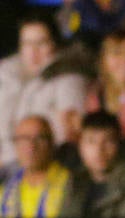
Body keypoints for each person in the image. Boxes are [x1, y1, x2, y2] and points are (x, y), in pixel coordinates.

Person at [0, 12, 89, 169]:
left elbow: (69, 137)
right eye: (27, 44)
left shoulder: (69, 80)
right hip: (15, 165)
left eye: (41, 43)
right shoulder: (18, 78)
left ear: (55, 44)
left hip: (46, 169)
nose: (33, 52)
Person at [0, 115, 72, 218]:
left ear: (52, 143)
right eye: (23, 139)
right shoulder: (5, 189)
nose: (30, 146)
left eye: (39, 138)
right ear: (15, 145)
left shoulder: (70, 183)